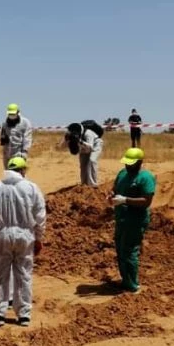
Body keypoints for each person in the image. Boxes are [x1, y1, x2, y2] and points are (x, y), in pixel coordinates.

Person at [0, 157, 46, 327]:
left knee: (0, 273)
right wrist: (39, 238)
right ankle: (24, 314)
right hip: (25, 235)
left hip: (2, 234)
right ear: (22, 170)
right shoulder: (31, 188)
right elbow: (40, 216)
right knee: (23, 274)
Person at [109, 148, 155, 293]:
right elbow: (115, 188)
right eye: (126, 163)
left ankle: (133, 285)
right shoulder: (122, 174)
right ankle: (125, 281)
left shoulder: (146, 178)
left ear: (140, 162)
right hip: (121, 218)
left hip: (135, 220)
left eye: (131, 164)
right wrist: (111, 195)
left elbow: (146, 201)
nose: (127, 166)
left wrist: (125, 200)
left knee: (129, 251)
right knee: (120, 249)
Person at [65, 122, 104, 187]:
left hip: (95, 145)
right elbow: (62, 145)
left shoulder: (88, 133)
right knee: (83, 164)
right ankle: (84, 183)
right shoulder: (70, 135)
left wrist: (80, 141)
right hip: (84, 146)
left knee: (92, 160)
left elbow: (90, 147)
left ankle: (93, 183)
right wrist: (67, 141)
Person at [0, 103, 33, 169]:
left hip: (19, 153)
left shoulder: (25, 122)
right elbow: (3, 140)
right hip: (7, 153)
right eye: (10, 114)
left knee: (18, 174)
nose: (11, 115)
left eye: (13, 114)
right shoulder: (5, 123)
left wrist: (24, 152)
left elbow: (27, 138)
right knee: (8, 173)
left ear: (18, 112)